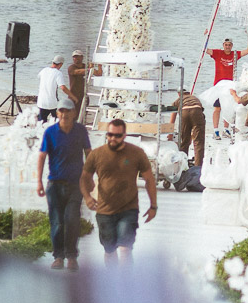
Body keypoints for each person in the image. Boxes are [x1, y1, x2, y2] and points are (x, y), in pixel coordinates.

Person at [81, 118, 157, 266]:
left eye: (117, 135)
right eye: (110, 135)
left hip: (128, 209)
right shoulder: (97, 154)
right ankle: (112, 283)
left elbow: (149, 180)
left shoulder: (137, 153)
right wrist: (87, 197)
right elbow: (84, 177)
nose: (113, 138)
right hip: (104, 210)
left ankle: (125, 284)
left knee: (125, 249)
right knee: (109, 251)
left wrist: (153, 205)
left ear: (124, 135)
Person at [36, 104, 91, 271]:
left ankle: (72, 256)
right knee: (57, 222)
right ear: (57, 112)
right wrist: (38, 181)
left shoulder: (81, 131)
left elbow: (89, 153)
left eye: (68, 111)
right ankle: (58, 256)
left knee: (72, 219)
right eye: (61, 110)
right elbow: (42, 156)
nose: (64, 114)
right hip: (55, 184)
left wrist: (90, 177)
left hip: (76, 184)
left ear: (74, 113)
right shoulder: (50, 132)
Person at [203, 38, 248, 136]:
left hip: (230, 86)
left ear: (232, 46)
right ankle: (216, 130)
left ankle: (226, 129)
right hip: (219, 86)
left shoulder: (235, 54)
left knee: (228, 108)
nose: (227, 47)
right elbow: (205, 49)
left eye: (229, 45)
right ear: (223, 45)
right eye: (226, 45)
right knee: (217, 108)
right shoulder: (217, 53)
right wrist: (206, 36)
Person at [37, 54, 76, 123]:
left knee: (41, 123)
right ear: (60, 64)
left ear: (53, 62)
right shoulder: (58, 73)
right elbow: (63, 87)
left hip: (41, 102)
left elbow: (39, 77)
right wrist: (73, 96)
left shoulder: (43, 70)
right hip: (52, 103)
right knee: (58, 121)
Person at [172, 89, 205, 167]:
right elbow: (201, 112)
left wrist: (170, 131)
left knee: (184, 140)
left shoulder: (178, 100)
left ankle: (183, 164)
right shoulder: (195, 98)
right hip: (197, 111)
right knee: (198, 141)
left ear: (179, 94)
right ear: (189, 93)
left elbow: (173, 117)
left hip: (184, 113)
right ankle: (198, 165)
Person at [66, 49, 101, 121]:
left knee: (82, 117)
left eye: (77, 57)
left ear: (82, 57)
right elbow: (78, 72)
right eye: (74, 57)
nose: (75, 59)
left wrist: (99, 65)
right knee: (72, 117)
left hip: (84, 95)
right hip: (73, 96)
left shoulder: (86, 66)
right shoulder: (71, 67)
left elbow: (98, 74)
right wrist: (89, 69)